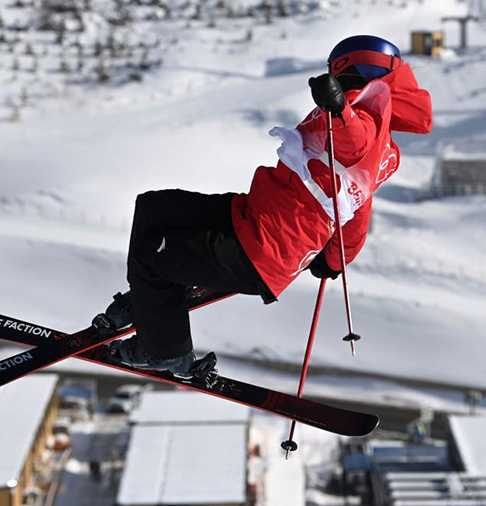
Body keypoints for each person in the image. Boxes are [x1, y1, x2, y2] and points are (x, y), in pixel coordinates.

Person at [96, 35, 432, 380]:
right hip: (254, 216)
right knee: (155, 208)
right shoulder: (377, 140)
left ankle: (165, 352)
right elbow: (356, 212)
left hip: (262, 251)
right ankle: (148, 302)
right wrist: (332, 260)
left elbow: (352, 140)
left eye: (340, 79)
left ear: (353, 73)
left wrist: (338, 110)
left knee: (153, 256)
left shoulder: (360, 124)